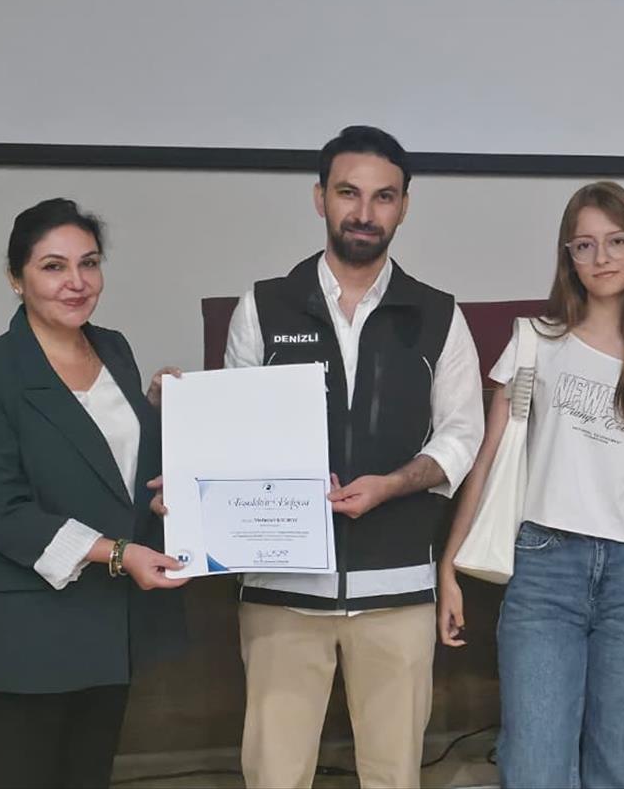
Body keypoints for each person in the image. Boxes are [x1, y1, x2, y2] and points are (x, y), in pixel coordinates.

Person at [216, 126, 484, 789]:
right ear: (320, 198)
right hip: (281, 591)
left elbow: (461, 437)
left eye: (383, 196)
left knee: (394, 776)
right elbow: (232, 440)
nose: (365, 212)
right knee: (274, 777)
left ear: (404, 206)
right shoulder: (264, 306)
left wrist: (393, 484)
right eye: (348, 193)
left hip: (397, 591)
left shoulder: (437, 315)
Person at [439, 181, 624, 788]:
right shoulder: (536, 341)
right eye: (584, 245)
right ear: (568, 256)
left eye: (616, 241)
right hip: (546, 569)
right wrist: (449, 565)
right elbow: (490, 457)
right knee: (534, 768)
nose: (601, 257)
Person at [0, 198, 186, 789]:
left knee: (88, 775)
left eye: (89, 263)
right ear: (15, 278)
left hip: (110, 614)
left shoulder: (114, 349)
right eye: (53, 266)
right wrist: (118, 552)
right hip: (26, 620)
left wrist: (161, 420)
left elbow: (112, 466)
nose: (77, 282)